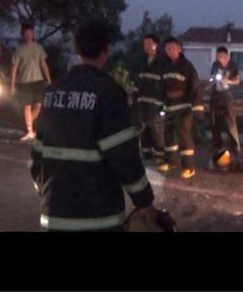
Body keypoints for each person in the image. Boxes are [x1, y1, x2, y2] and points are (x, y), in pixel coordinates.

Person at [31, 19, 161, 231]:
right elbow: (124, 156)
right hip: (100, 218)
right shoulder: (109, 92)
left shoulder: (53, 92)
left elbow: (37, 154)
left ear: (77, 50)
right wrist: (144, 200)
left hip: (54, 217)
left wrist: (47, 191)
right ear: (105, 51)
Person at [159, 37, 204, 179]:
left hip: (185, 108)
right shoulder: (165, 67)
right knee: (169, 136)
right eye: (167, 49)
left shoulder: (187, 66)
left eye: (172, 48)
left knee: (183, 136)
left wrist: (197, 109)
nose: (170, 51)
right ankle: (171, 162)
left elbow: (196, 87)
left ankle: (188, 168)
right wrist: (161, 104)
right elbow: (161, 88)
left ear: (179, 48)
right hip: (170, 108)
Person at [11, 23, 52, 141]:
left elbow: (43, 64)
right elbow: (14, 68)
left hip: (38, 80)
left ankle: (27, 124)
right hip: (24, 81)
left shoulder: (38, 48)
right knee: (27, 106)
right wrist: (12, 85)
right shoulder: (19, 49)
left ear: (33, 34)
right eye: (26, 33)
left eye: (30, 33)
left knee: (38, 105)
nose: (28, 35)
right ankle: (29, 130)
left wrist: (49, 79)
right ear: (22, 35)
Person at [133, 34, 166, 163]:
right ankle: (146, 153)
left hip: (156, 103)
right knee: (144, 128)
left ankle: (159, 155)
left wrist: (163, 102)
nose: (146, 46)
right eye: (144, 44)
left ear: (155, 45)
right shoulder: (142, 61)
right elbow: (137, 80)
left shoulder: (162, 62)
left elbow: (165, 83)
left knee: (157, 130)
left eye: (148, 43)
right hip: (143, 102)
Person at [209, 46, 241, 154]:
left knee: (231, 122)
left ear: (226, 55)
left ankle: (235, 147)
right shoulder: (215, 65)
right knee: (215, 121)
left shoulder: (233, 65)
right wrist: (213, 79)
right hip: (215, 95)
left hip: (227, 95)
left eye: (221, 56)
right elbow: (211, 78)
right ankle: (217, 146)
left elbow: (237, 81)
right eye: (218, 56)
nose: (219, 58)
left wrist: (228, 81)